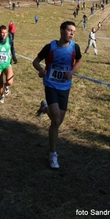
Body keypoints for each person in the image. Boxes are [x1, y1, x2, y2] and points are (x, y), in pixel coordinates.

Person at [32, 21, 82, 169]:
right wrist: (41, 70)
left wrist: (72, 72)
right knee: (56, 120)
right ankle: (53, 154)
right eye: (69, 30)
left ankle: (45, 107)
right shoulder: (50, 47)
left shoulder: (75, 47)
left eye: (74, 31)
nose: (72, 33)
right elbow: (36, 62)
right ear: (61, 31)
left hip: (65, 87)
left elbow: (79, 60)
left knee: (57, 121)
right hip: (51, 85)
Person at [0, 25, 17, 103]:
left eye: (5, 33)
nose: (4, 34)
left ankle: (6, 86)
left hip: (7, 64)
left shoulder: (10, 41)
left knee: (10, 82)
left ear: (7, 33)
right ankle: (2, 95)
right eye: (2, 33)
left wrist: (14, 56)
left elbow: (12, 49)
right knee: (0, 84)